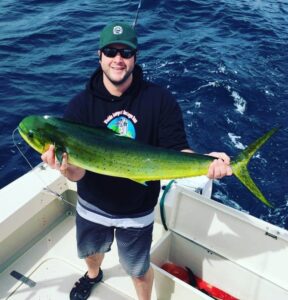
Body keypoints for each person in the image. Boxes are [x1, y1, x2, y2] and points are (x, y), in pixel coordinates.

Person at [41, 22, 232, 300]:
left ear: (135, 57)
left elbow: (178, 150)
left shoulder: (159, 100)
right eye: (111, 51)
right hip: (92, 205)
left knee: (138, 269)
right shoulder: (80, 106)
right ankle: (93, 275)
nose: (118, 59)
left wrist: (207, 163)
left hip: (138, 211)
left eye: (126, 52)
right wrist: (66, 167)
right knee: (91, 253)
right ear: (100, 56)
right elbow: (77, 174)